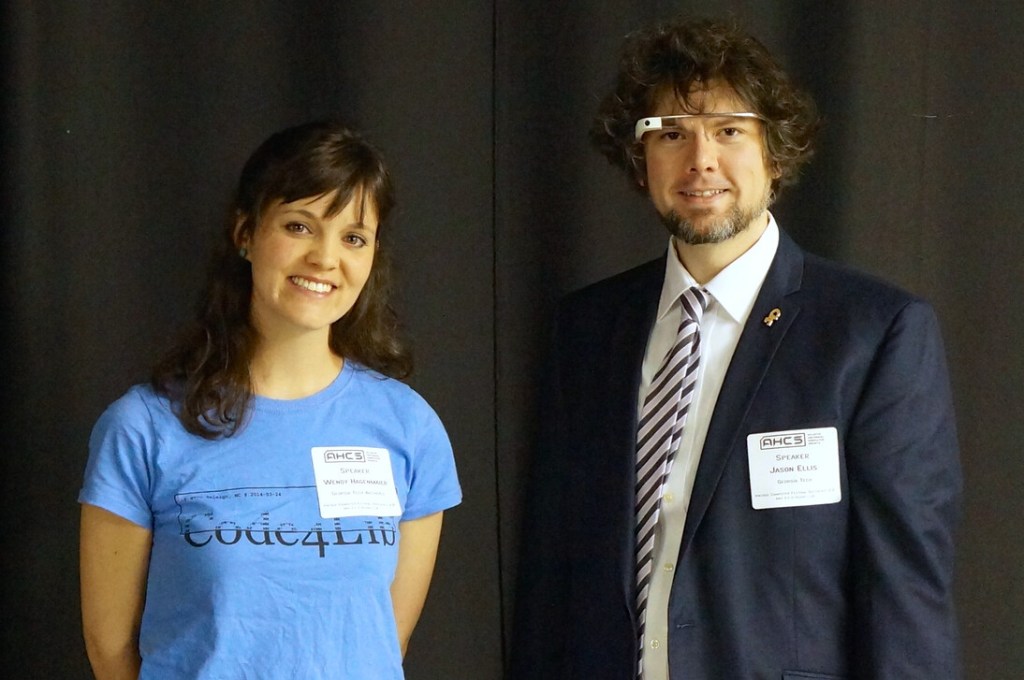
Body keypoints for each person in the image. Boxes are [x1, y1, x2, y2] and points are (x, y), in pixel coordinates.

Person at [511, 16, 961, 680]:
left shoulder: (872, 333)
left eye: (728, 131)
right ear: (640, 161)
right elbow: (550, 574)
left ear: (776, 152)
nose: (700, 161)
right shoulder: (585, 329)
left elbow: (904, 589)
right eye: (670, 134)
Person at [79, 121, 462, 680]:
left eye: (353, 238)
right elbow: (109, 650)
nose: (325, 258)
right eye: (300, 226)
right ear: (245, 233)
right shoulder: (143, 428)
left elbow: (384, 641)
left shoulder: (408, 428)